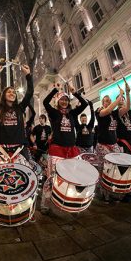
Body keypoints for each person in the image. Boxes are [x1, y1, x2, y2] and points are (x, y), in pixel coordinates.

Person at [41, 84, 88, 213]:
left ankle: (70, 200)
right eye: (62, 99)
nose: (64, 101)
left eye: (66, 100)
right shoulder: (54, 113)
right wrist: (55, 90)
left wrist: (75, 93)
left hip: (72, 150)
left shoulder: (72, 113)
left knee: (75, 176)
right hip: (57, 150)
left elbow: (85, 104)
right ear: (58, 101)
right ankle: (45, 204)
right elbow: (45, 102)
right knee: (52, 177)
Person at [0, 64, 33, 166]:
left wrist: (28, 75)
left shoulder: (20, 108)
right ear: (4, 95)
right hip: (2, 151)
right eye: (9, 92)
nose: (12, 93)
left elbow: (30, 92)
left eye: (14, 92)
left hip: (19, 151)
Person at [95, 80, 130, 203]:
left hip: (113, 144)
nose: (108, 101)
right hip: (102, 145)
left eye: (109, 100)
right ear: (102, 103)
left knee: (117, 167)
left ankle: (116, 191)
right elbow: (108, 110)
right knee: (104, 169)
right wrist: (119, 96)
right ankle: (104, 194)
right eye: (106, 100)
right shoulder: (99, 112)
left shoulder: (114, 113)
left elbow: (127, 108)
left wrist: (127, 93)